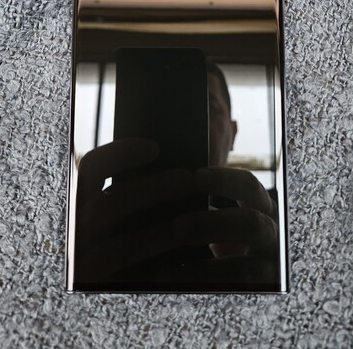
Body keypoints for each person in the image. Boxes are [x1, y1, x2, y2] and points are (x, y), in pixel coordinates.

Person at [74, 63, 278, 287]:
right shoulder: (96, 214)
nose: (187, 122)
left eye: (208, 106)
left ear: (233, 133)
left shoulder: (276, 212)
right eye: (164, 108)